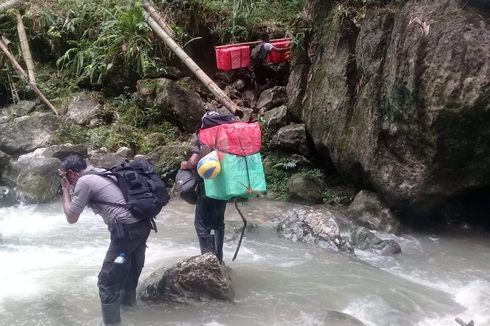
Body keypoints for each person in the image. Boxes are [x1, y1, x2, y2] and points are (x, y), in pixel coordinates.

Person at [59, 155, 152, 325]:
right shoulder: (101, 172)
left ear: (71, 173)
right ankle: (131, 313)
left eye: (63, 176)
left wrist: (65, 189)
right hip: (142, 225)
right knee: (129, 270)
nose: (64, 179)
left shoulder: (84, 182)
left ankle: (112, 323)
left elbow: (71, 217)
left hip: (126, 231)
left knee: (106, 282)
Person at [180, 111, 236, 264]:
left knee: (202, 224)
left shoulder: (205, 136)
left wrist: (185, 165)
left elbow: (193, 161)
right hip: (224, 188)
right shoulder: (228, 137)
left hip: (207, 187)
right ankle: (218, 259)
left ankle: (208, 260)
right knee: (218, 223)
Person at [250, 33, 291, 99]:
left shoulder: (258, 45)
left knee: (258, 82)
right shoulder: (267, 44)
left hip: (256, 66)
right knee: (274, 75)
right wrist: (288, 48)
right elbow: (277, 50)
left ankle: (255, 98)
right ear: (266, 38)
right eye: (268, 38)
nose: (269, 39)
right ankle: (277, 91)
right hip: (261, 66)